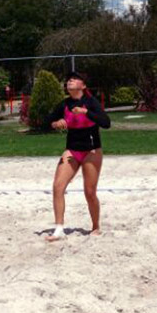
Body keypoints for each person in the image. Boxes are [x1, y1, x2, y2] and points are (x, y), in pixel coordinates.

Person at [46, 72, 111, 241]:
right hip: (72, 150)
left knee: (89, 192)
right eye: (68, 80)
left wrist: (85, 112)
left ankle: (96, 225)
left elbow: (106, 123)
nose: (70, 81)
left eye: (74, 79)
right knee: (57, 187)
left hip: (91, 151)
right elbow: (47, 120)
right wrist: (55, 123)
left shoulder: (91, 102)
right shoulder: (65, 104)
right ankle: (59, 229)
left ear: (83, 85)